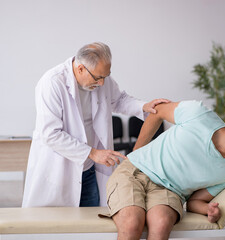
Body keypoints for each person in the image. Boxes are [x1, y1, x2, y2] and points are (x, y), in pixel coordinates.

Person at [106, 100, 225, 240]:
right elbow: (158, 111)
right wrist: (136, 151)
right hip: (135, 172)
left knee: (161, 224)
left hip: (170, 191)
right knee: (132, 223)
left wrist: (208, 209)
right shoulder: (199, 113)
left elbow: (194, 201)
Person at [22, 42, 168, 208]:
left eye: (105, 76)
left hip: (90, 168)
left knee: (90, 225)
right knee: (58, 227)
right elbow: (50, 133)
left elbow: (119, 100)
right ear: (80, 69)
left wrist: (143, 106)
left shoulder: (100, 78)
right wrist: (92, 153)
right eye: (98, 78)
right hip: (60, 168)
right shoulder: (52, 83)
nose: (102, 84)